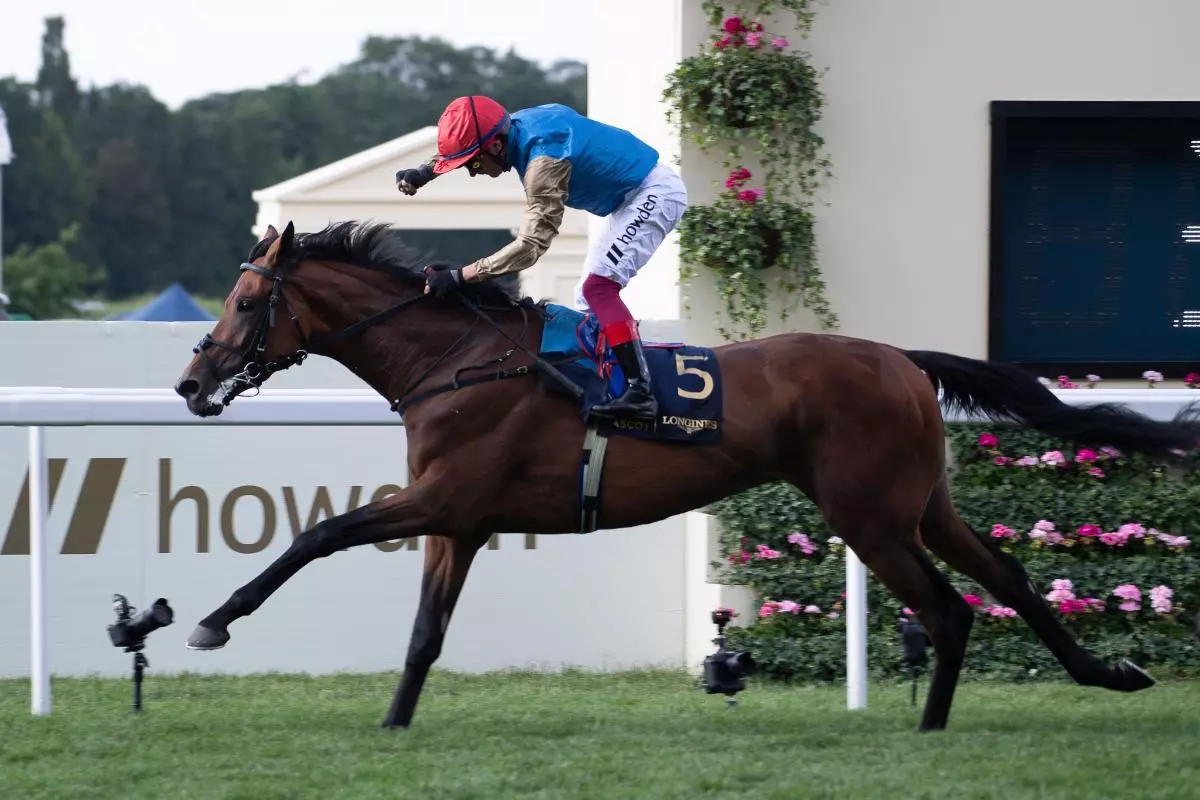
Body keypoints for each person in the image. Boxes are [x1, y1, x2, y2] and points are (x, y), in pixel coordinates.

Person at [395, 95, 687, 422]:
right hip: (627, 199)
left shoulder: (543, 165)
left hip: (654, 195)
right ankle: (612, 381)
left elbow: (531, 247)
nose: (472, 174)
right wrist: (425, 171)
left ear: (494, 148)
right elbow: (476, 138)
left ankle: (641, 394)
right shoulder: (517, 123)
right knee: (588, 300)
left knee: (598, 289)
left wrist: (462, 276)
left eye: (471, 164)